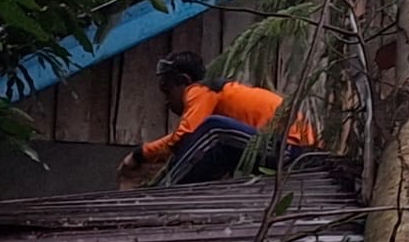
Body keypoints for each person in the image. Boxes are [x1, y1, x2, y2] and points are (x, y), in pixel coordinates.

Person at [115, 51, 318, 186]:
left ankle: (164, 191)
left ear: (184, 81)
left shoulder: (200, 90)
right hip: (287, 149)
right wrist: (146, 153)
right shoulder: (217, 99)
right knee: (210, 144)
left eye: (167, 91)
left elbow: (183, 136)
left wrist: (140, 155)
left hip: (291, 150)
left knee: (213, 129)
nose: (167, 102)